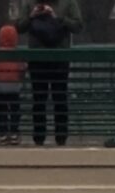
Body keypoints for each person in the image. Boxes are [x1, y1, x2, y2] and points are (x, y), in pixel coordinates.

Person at [17, 0, 83, 147]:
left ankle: (61, 136)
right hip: (37, 58)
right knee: (39, 99)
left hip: (59, 58)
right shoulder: (30, 3)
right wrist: (31, 16)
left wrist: (57, 17)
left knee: (60, 98)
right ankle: (39, 137)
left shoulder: (68, 3)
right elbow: (19, 27)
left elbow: (78, 26)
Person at [0, 25, 26, 146]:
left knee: (1, 110)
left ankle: (2, 134)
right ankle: (14, 133)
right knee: (15, 109)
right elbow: (22, 68)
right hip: (14, 85)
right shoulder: (17, 53)